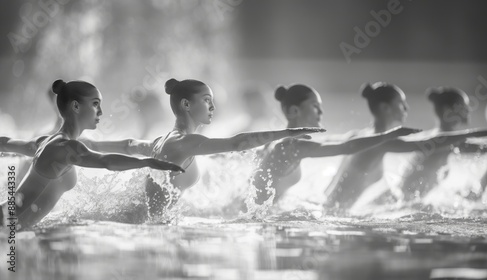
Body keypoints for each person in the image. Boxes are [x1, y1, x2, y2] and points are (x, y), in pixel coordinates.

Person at [82, 78, 325, 218]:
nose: (212, 107)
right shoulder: (185, 142)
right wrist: (290, 132)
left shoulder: (166, 139)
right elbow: (238, 142)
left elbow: (130, 145)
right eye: (207, 101)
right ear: (187, 104)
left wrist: (92, 143)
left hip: (139, 220)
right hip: (143, 225)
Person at [0, 79, 184, 229]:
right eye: (95, 104)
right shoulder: (65, 147)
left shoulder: (46, 141)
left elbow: (6, 143)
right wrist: (149, 163)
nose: (101, 112)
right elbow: (106, 162)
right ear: (76, 107)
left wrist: (149, 146)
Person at [323, 82, 487, 210]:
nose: (406, 108)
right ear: (385, 108)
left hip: (334, 208)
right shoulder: (379, 142)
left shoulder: (359, 135)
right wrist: (472, 133)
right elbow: (425, 143)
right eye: (401, 104)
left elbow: (329, 145)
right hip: (336, 214)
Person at [252, 84, 421, 205]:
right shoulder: (291, 147)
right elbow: (346, 148)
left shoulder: (282, 142)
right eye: (315, 107)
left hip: (249, 211)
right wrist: (387, 136)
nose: (321, 112)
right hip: (248, 216)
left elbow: (340, 141)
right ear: (294, 111)